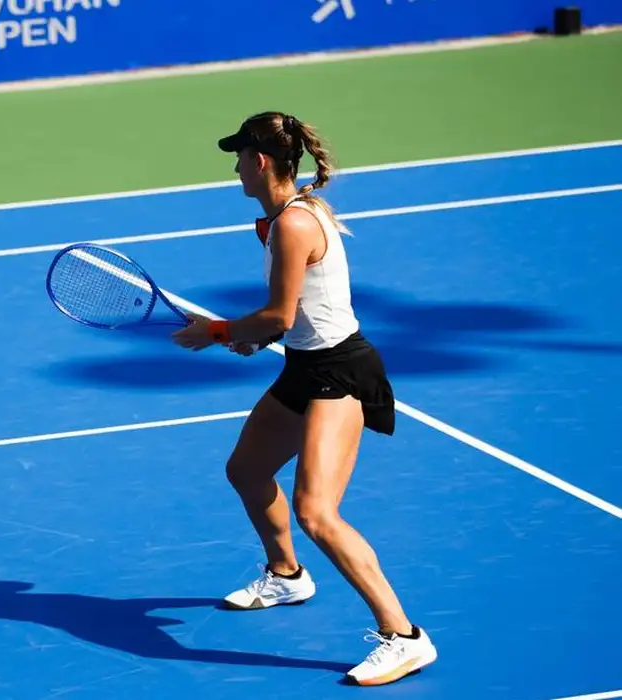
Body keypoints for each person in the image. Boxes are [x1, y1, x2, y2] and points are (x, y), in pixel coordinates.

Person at [170, 111, 437, 686]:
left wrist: (217, 331)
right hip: (305, 364)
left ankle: (404, 637)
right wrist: (254, 336)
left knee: (316, 512)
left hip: (340, 372)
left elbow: (280, 314)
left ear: (261, 161)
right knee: (247, 470)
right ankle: (287, 575)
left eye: (240, 158)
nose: (236, 169)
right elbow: (292, 316)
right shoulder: (284, 218)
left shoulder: (293, 224)